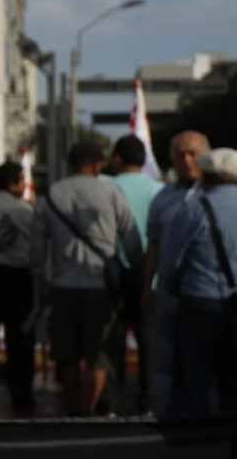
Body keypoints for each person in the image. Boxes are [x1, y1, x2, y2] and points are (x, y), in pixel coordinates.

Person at [31, 141, 142, 417]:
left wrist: (42, 281)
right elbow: (131, 239)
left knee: (67, 356)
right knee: (99, 357)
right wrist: (134, 273)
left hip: (63, 286)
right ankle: (90, 410)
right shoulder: (111, 190)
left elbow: (37, 250)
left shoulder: (52, 194)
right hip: (101, 287)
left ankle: (71, 411)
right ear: (96, 164)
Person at [160, 148, 237, 419]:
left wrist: (168, 289)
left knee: (197, 373)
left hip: (200, 301)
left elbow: (170, 259)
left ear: (206, 175)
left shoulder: (194, 208)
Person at [147, 131, 210, 416]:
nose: (186, 160)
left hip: (210, 294)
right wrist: (145, 288)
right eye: (180, 154)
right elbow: (154, 247)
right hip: (171, 296)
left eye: (193, 154)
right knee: (168, 359)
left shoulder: (221, 196)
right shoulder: (162, 199)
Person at [109, 134, 164, 413]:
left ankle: (115, 398)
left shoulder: (106, 186)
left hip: (113, 272)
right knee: (147, 338)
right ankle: (147, 398)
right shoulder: (159, 190)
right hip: (149, 275)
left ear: (117, 157)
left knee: (114, 337)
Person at [0, 161, 36, 415]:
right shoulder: (25, 212)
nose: (25, 185)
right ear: (13, 183)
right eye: (22, 180)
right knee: (20, 340)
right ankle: (22, 398)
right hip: (19, 277)